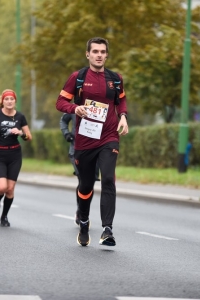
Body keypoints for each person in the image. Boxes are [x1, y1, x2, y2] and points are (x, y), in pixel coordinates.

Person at [56, 37, 129, 247]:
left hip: (108, 137)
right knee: (86, 185)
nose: (99, 55)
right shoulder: (77, 77)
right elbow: (60, 102)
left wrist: (123, 116)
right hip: (85, 140)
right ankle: (85, 223)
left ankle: (107, 230)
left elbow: (121, 99)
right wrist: (74, 108)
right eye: (95, 51)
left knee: (108, 180)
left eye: (102, 52)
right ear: (88, 54)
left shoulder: (115, 78)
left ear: (107, 55)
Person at [0, 89, 32, 227]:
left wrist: (21, 133)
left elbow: (28, 137)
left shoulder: (20, 117)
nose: (9, 101)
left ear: (15, 101)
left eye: (12, 99)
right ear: (3, 101)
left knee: (10, 189)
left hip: (14, 155)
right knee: (2, 187)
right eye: (6, 99)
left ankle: (4, 217)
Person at [60, 112, 100, 226]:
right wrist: (66, 133)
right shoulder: (76, 107)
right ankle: (81, 212)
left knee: (90, 183)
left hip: (96, 150)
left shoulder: (100, 107)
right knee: (83, 180)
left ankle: (82, 211)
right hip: (77, 150)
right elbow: (63, 120)